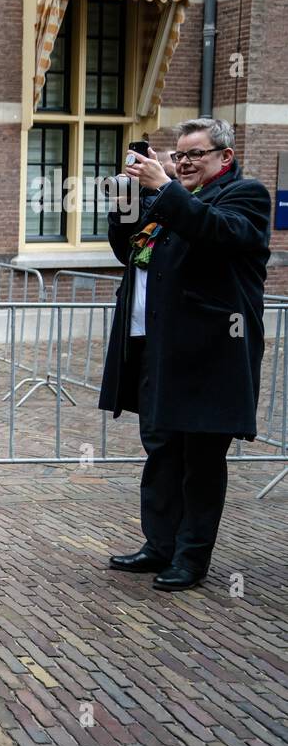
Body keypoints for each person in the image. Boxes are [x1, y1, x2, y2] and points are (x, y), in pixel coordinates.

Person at [101, 117, 272, 591]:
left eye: (195, 154)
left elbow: (218, 234)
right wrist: (124, 207)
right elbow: (129, 252)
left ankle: (190, 559)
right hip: (157, 349)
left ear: (225, 157)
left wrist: (164, 188)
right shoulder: (168, 198)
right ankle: (158, 546)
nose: (183, 162)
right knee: (161, 452)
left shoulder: (245, 196)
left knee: (200, 461)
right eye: (178, 155)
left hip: (210, 356)